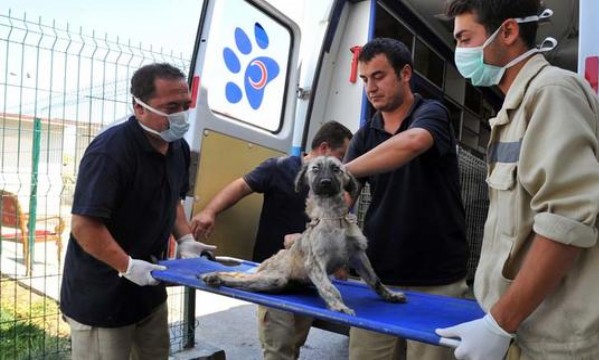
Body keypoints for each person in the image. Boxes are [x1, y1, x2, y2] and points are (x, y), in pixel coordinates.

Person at [435, 1, 599, 359]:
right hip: (528, 328)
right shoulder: (517, 107)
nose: (460, 52)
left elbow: (565, 221)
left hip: (561, 342)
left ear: (508, 32)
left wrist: (500, 323)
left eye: (465, 39)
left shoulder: (551, 93)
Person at [60, 63, 216, 360]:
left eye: (186, 105)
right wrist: (127, 266)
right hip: (103, 298)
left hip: (150, 291)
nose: (182, 115)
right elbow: (84, 226)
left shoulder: (178, 149)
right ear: (139, 107)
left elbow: (172, 201)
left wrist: (185, 240)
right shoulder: (110, 152)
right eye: (171, 107)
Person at [344, 37, 469, 360]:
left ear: (406, 73)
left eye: (379, 76)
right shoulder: (364, 136)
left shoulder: (432, 114)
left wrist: (339, 169)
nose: (370, 87)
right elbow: (343, 199)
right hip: (378, 279)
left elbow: (411, 143)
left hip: (437, 280)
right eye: (364, 79)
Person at [190, 121, 352, 360]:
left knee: (295, 343)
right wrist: (210, 211)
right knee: (279, 349)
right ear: (325, 148)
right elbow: (241, 186)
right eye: (342, 156)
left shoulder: (333, 185)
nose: (344, 164)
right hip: (274, 277)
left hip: (309, 279)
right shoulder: (280, 168)